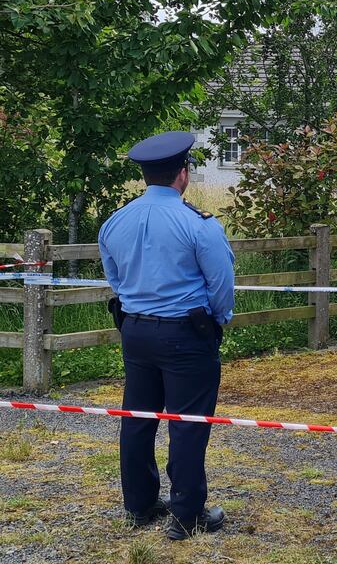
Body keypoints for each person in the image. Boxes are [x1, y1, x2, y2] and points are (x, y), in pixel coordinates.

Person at [98, 131, 235, 540]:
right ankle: (187, 515)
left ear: (145, 176)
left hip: (135, 330)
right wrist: (217, 321)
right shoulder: (199, 224)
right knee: (188, 423)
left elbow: (115, 279)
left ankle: (139, 505)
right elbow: (221, 285)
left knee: (138, 419)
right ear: (183, 173)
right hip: (185, 333)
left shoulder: (115, 221)